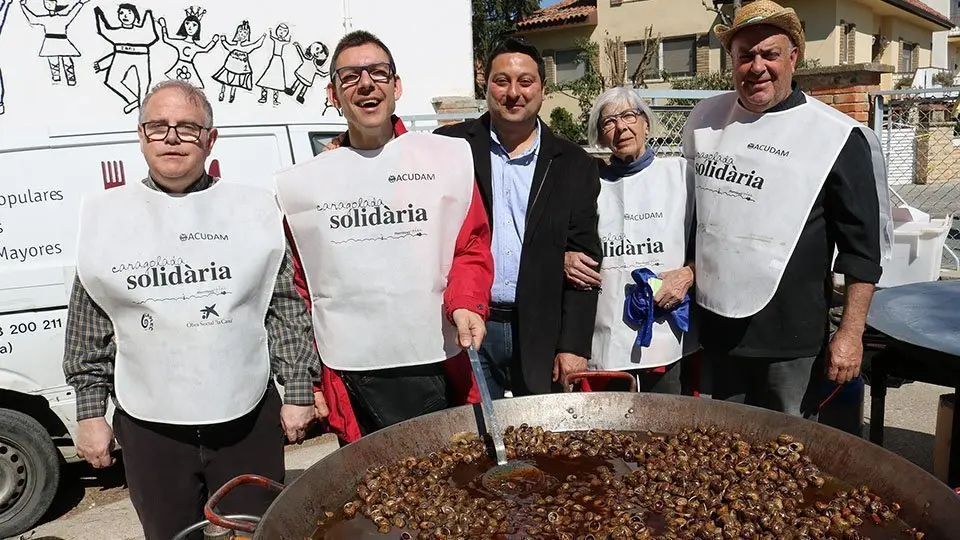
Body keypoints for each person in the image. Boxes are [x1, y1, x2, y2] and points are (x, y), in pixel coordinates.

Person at [63, 80, 322, 540]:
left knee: (257, 532)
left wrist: (299, 389)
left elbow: (283, 306)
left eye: (187, 126)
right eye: (158, 126)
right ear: (141, 136)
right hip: (150, 426)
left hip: (246, 417)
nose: (172, 136)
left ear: (210, 138)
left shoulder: (252, 210)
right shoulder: (107, 219)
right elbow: (90, 323)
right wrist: (89, 413)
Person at [274, 30, 493, 435]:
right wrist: (312, 380)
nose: (366, 83)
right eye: (350, 76)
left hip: (439, 360)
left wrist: (466, 302)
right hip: (353, 376)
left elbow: (471, 247)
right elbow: (301, 288)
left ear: (397, 85)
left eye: (377, 72)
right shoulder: (307, 186)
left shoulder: (446, 161)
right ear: (333, 94)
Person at [682, 0, 891, 418]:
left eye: (769, 54)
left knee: (787, 457)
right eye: (745, 55)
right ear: (732, 61)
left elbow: (862, 250)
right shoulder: (706, 120)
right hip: (717, 329)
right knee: (720, 451)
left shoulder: (836, 137)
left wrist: (850, 334)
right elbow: (692, 218)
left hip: (791, 341)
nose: (756, 66)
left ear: (794, 57)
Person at [435, 37, 602, 398]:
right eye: (501, 81)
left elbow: (585, 263)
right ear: (486, 86)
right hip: (472, 322)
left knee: (543, 440)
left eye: (525, 81)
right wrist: (349, 145)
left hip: (542, 324)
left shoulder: (575, 165)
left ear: (543, 89)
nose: (514, 92)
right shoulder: (449, 148)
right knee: (476, 435)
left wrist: (574, 345)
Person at [563, 87, 697, 394]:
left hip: (665, 337)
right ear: (600, 135)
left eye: (628, 115)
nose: (621, 127)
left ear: (646, 123)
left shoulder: (682, 175)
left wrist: (689, 273)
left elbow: (710, 240)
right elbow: (560, 237)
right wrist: (565, 257)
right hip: (605, 335)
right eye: (609, 121)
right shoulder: (588, 185)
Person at [93, 3, 159, 114]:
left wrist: (148, 14)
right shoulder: (117, 33)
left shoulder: (143, 32)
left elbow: (151, 34)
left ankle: (140, 107)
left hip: (141, 56)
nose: (125, 16)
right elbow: (116, 52)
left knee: (143, 84)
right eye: (122, 13)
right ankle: (134, 101)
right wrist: (99, 13)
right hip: (122, 55)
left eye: (129, 13)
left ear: (135, 15)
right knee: (111, 80)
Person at [21, 0, 88, 87]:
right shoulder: (47, 19)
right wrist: (23, 6)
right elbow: (33, 19)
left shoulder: (63, 19)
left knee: (66, 59)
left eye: (51, 2)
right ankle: (56, 76)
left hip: (61, 40)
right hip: (51, 41)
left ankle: (70, 77)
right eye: (46, 2)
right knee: (53, 58)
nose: (47, 4)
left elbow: (72, 14)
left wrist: (81, 3)